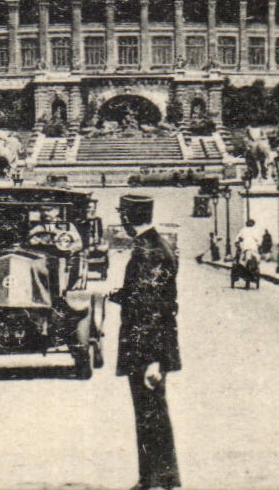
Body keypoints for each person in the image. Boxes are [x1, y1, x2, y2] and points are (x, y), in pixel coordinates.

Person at [110, 194, 181, 490]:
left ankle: (154, 479)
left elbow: (152, 307)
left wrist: (154, 359)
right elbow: (142, 296)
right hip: (149, 345)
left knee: (149, 413)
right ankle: (161, 478)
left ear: (128, 217)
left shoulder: (147, 250)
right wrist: (113, 294)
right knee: (152, 412)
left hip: (145, 348)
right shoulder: (155, 245)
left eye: (123, 216)